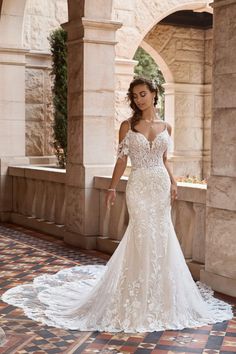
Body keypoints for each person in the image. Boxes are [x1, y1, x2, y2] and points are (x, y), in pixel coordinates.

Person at [1, 77, 232, 332]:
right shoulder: (127, 126)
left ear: (154, 94)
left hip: (160, 187)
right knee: (141, 234)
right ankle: (134, 294)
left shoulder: (167, 126)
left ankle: (159, 296)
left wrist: (174, 182)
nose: (138, 99)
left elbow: (165, 159)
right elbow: (122, 161)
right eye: (134, 96)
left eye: (142, 94)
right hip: (139, 186)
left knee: (161, 237)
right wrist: (111, 187)